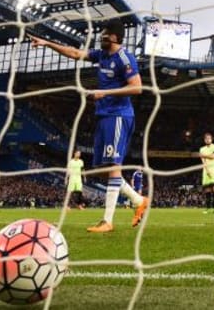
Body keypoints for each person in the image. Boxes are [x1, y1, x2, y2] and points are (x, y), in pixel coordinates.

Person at [30, 19, 148, 233]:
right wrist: (48, 44)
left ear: (115, 36)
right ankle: (138, 200)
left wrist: (106, 93)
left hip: (119, 116)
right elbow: (75, 53)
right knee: (103, 169)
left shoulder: (124, 58)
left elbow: (137, 87)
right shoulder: (101, 55)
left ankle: (107, 221)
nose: (101, 35)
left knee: (113, 167)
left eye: (105, 32)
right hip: (103, 116)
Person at [199, 132, 214, 214]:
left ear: (211, 139)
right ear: (204, 140)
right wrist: (207, 170)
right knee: (207, 190)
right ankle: (208, 208)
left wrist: (204, 155)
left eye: (209, 138)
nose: (208, 140)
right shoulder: (202, 149)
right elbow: (203, 161)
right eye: (206, 138)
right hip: (206, 171)